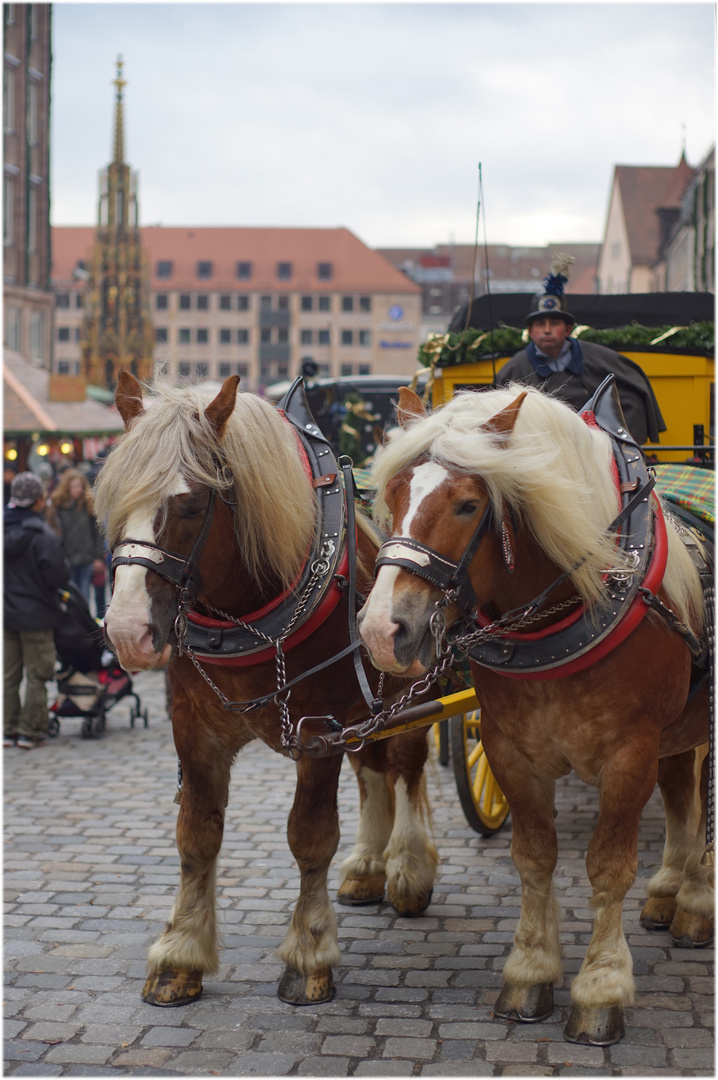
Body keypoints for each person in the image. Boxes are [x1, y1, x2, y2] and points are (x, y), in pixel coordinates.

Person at [495, 255, 665, 446]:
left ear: (568, 329)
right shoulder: (513, 371)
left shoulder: (599, 359)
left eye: (555, 323)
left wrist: (616, 447)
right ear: (530, 332)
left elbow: (630, 400)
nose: (547, 329)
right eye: (540, 324)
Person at [4, 472, 71, 749]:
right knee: (38, 675)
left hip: (6, 614)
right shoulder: (43, 535)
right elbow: (58, 577)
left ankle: (8, 729)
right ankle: (31, 730)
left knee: (9, 675)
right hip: (37, 615)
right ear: (39, 500)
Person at [46, 468, 105, 606]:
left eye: (80, 486)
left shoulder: (88, 505)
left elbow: (98, 533)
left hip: (86, 558)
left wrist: (97, 557)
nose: (78, 489)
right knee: (69, 596)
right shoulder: (57, 506)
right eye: (74, 486)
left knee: (84, 594)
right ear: (67, 487)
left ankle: (83, 625)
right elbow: (53, 532)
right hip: (67, 558)